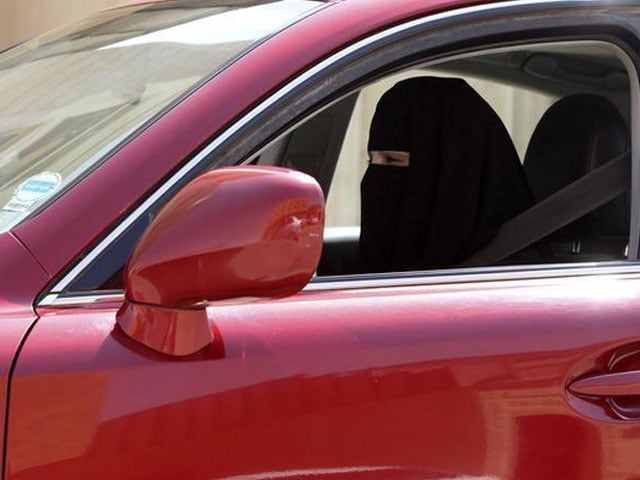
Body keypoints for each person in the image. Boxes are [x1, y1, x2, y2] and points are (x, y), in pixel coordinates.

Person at [358, 76, 536, 273]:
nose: (375, 177)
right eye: (371, 160)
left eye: (392, 161)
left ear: (453, 171)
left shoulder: (507, 278)